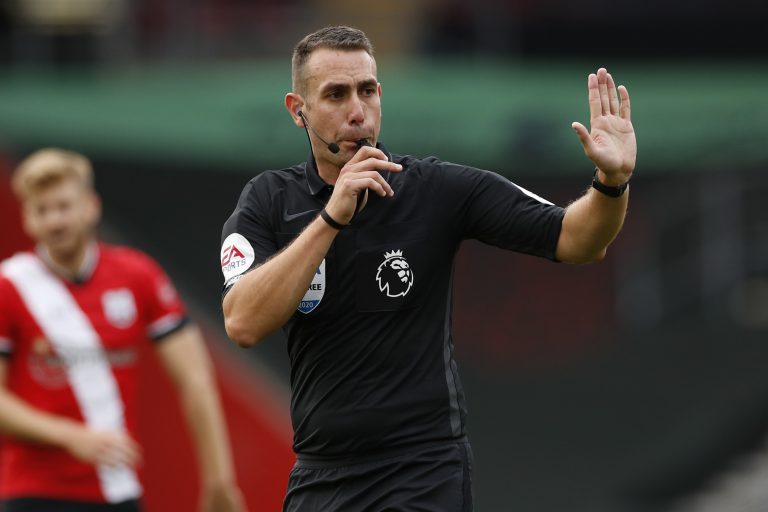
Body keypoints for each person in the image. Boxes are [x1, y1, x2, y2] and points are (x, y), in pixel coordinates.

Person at [220, 25, 636, 511]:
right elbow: (243, 322)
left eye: (367, 90)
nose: (357, 111)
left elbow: (577, 239)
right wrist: (331, 216)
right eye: (335, 94)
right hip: (322, 474)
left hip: (422, 469)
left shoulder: (437, 189)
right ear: (299, 111)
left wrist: (612, 181)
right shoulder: (269, 200)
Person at [0, 149, 247, 512]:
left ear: (91, 207)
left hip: (116, 490)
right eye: (42, 210)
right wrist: (69, 436)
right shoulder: (10, 285)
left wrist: (219, 480)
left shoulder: (137, 276)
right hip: (32, 493)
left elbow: (195, 379)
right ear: (27, 218)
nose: (54, 220)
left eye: (63, 206)